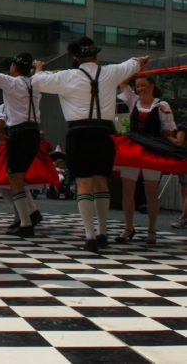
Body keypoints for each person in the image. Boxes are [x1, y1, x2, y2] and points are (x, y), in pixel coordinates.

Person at [32, 36, 149, 252]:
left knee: (83, 184)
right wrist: (140, 58)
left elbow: (36, 82)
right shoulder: (111, 72)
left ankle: (90, 237)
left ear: (75, 57)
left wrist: (39, 68)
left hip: (78, 133)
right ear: (96, 55)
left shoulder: (67, 76)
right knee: (101, 182)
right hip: (103, 132)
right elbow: (136, 63)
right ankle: (103, 233)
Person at [0, 53, 47, 237]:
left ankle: (25, 223)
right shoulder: (36, 83)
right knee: (20, 176)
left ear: (15, 67)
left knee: (14, 178)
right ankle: (32, 213)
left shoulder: (11, 82)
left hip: (18, 133)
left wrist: (5, 76)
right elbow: (38, 75)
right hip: (34, 133)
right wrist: (38, 69)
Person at [115, 77, 177, 245]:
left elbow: (168, 130)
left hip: (152, 148)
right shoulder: (132, 100)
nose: (140, 89)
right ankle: (128, 227)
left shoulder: (162, 106)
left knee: (151, 190)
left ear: (152, 86)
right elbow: (123, 83)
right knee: (128, 189)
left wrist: (172, 143)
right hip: (132, 148)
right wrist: (135, 68)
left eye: (143, 85)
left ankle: (151, 229)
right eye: (137, 86)